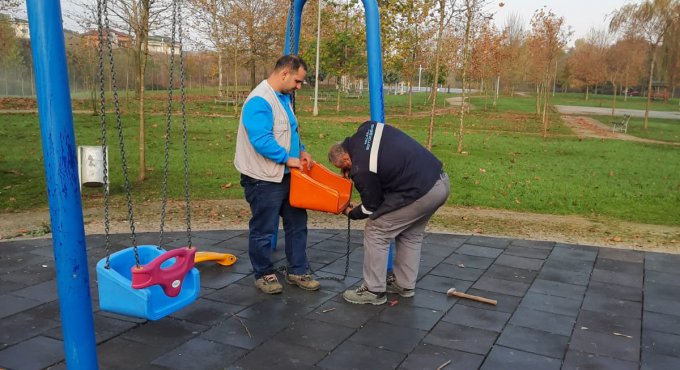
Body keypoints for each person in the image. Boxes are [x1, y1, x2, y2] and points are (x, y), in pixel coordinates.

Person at [328, 121, 450, 305]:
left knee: (376, 230)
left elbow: (371, 207)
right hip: (439, 182)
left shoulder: (361, 168)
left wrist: (350, 212)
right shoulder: (366, 128)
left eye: (345, 169)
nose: (347, 173)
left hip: (420, 191)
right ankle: (404, 284)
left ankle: (373, 290)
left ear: (346, 160)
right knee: (410, 233)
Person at [234, 55, 320, 294]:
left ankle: (298, 270)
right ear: (284, 74)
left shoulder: (283, 98)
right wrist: (288, 159)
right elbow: (261, 140)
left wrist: (301, 151)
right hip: (263, 178)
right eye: (298, 81)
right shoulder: (259, 101)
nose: (299, 86)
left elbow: (289, 130)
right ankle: (263, 274)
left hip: (287, 175)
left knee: (297, 224)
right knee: (264, 228)